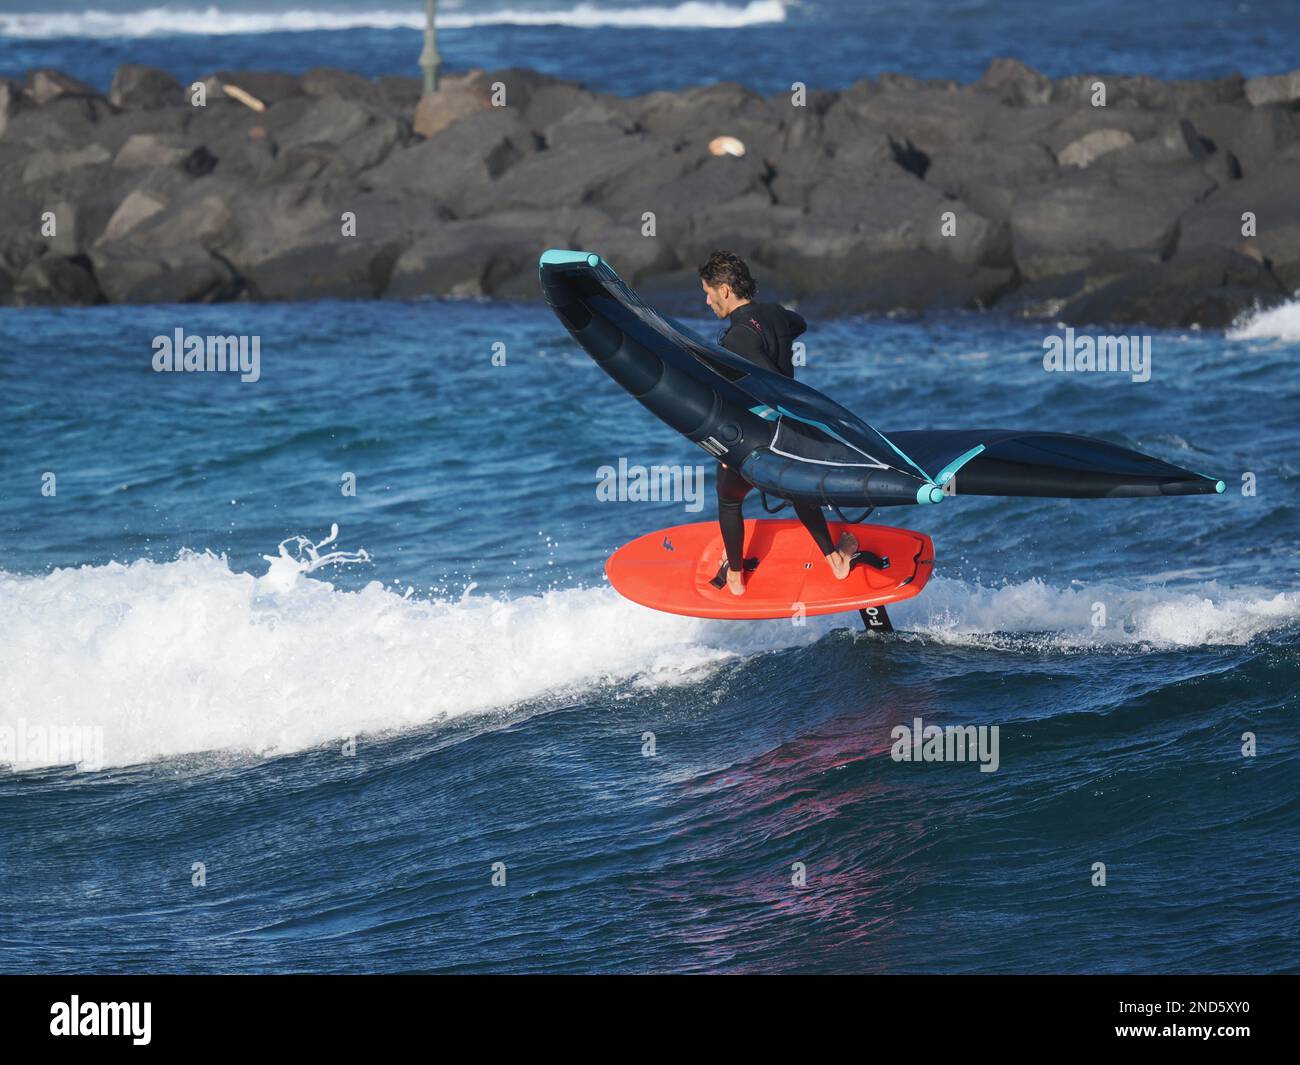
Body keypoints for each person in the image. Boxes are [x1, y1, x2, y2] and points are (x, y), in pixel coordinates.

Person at [698, 249, 858, 597]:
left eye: (709, 292)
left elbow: (767, 383)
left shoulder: (734, 338)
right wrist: (774, 334)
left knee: (729, 500)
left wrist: (727, 446)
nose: (707, 301)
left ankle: (737, 576)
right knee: (799, 492)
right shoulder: (773, 315)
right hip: (789, 435)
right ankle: (835, 559)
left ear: (725, 290)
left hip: (754, 438)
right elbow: (797, 323)